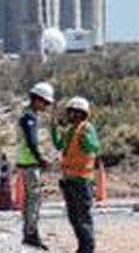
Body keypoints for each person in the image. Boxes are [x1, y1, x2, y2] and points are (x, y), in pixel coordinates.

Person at [52, 96, 100, 253]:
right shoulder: (70, 131)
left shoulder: (87, 129)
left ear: (82, 114)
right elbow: (59, 145)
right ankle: (82, 247)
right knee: (74, 217)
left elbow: (93, 146)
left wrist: (84, 139)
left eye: (75, 113)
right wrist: (54, 130)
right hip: (69, 180)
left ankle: (88, 248)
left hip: (82, 180)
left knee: (83, 217)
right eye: (70, 112)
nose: (71, 116)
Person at [17, 81, 55, 249]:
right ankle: (31, 234)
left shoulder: (27, 114)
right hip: (30, 163)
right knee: (34, 200)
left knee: (30, 200)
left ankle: (29, 232)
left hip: (26, 162)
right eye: (45, 102)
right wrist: (41, 159)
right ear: (37, 99)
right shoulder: (29, 117)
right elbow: (31, 142)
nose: (46, 106)